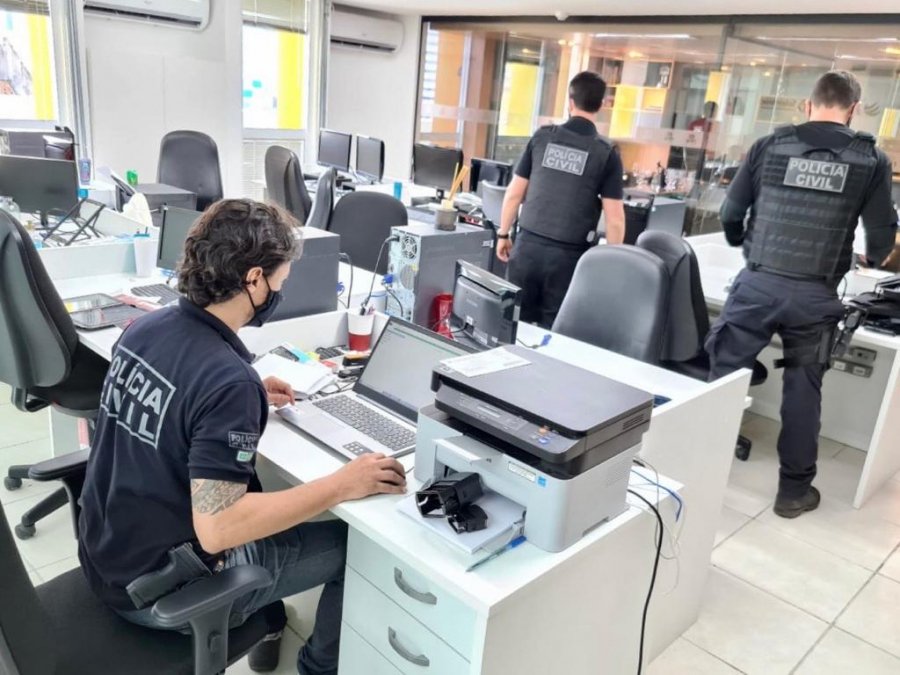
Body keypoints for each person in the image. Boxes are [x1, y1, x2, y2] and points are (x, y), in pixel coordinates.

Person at [77, 199, 407, 675]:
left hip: (107, 556)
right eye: (279, 281)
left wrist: (244, 394)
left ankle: (268, 625)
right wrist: (342, 484)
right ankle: (317, 668)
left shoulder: (145, 327)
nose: (279, 291)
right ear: (254, 279)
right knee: (359, 547)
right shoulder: (228, 383)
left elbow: (174, 404)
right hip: (164, 591)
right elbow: (220, 529)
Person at [706, 71, 897, 519]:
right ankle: (792, 493)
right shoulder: (871, 160)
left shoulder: (769, 146)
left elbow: (731, 214)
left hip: (757, 286)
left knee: (721, 377)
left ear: (808, 105)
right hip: (814, 297)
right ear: (854, 109)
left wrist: (745, 245)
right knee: (802, 391)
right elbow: (880, 239)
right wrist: (869, 258)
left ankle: (695, 464)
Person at [496, 71, 626, 328]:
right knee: (555, 332)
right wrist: (611, 266)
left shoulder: (542, 137)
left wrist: (503, 234)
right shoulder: (606, 153)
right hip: (568, 260)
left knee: (511, 326)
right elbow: (615, 221)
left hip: (527, 248)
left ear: (570, 101)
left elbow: (514, 194)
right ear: (601, 105)